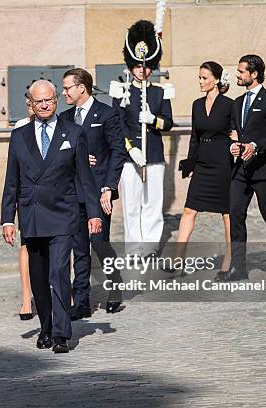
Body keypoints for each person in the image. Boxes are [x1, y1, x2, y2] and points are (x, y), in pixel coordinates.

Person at [1, 80, 102, 353]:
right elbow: (12, 180)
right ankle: (45, 328)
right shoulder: (19, 135)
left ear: (55, 100)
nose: (45, 105)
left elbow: (85, 177)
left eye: (49, 100)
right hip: (32, 215)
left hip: (63, 213)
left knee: (59, 270)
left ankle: (61, 333)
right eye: (39, 101)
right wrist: (8, 218)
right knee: (39, 275)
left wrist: (94, 213)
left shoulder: (74, 131)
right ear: (30, 104)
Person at [59, 68, 126, 317]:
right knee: (79, 247)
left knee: (99, 243)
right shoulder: (64, 117)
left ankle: (115, 284)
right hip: (72, 191)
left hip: (99, 191)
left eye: (67, 88)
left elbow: (117, 152)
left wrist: (109, 187)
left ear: (81, 88)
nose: (63, 92)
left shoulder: (107, 114)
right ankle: (82, 301)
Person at [217, 55, 266, 282]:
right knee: (236, 214)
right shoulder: (237, 103)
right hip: (240, 171)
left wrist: (254, 146)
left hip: (263, 169)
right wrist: (233, 145)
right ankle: (239, 268)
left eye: (241, 71)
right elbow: (233, 132)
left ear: (254, 74)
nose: (237, 75)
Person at [111, 20, 174, 257]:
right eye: (137, 65)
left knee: (152, 204)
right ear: (131, 65)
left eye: (145, 66)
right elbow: (117, 124)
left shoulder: (159, 91)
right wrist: (130, 149)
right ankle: (134, 247)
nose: (141, 70)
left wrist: (153, 119)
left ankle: (150, 245)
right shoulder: (121, 90)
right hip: (131, 156)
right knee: (132, 204)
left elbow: (168, 122)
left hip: (155, 155)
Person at [178, 61, 233, 272]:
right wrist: (190, 162)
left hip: (223, 163)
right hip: (202, 163)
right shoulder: (196, 105)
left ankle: (229, 258)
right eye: (199, 78)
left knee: (226, 212)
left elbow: (236, 131)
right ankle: (177, 258)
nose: (200, 82)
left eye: (204, 78)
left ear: (216, 79)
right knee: (189, 209)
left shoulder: (229, 105)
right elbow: (195, 136)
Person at [14, 97, 35, 320]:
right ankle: (26, 295)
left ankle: (63, 290)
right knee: (26, 243)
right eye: (30, 103)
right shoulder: (20, 128)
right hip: (27, 194)